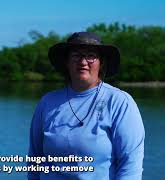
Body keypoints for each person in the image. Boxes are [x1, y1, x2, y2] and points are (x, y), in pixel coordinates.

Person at [27, 32, 145, 180]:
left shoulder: (120, 102)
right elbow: (35, 160)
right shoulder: (47, 103)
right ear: (66, 62)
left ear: (101, 62)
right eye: (76, 55)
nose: (83, 62)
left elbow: (131, 166)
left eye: (91, 55)